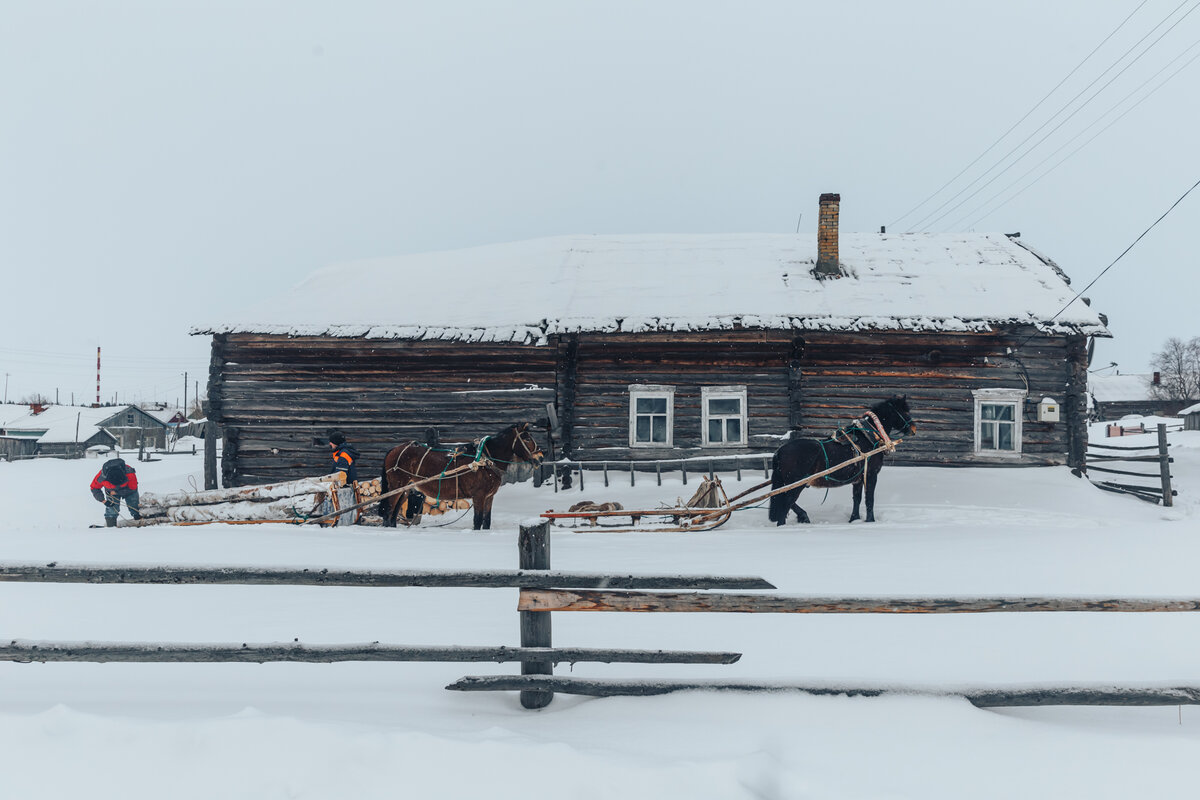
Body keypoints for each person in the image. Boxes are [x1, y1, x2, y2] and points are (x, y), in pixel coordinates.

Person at [90, 457, 140, 527]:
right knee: (112, 509)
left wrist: (116, 492)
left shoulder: (130, 473)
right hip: (111, 492)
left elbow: (133, 488)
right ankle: (110, 526)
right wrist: (103, 500)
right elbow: (94, 488)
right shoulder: (101, 477)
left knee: (134, 504)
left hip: (128, 490)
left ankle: (139, 519)